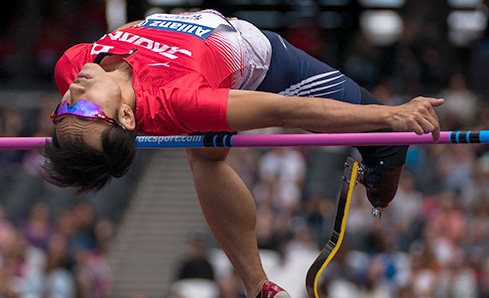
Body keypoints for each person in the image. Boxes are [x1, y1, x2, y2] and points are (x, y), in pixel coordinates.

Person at [41, 9, 443, 298]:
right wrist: (391, 113)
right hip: (273, 69)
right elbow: (285, 110)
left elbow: (124, 32)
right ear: (126, 116)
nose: (73, 94)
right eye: (85, 109)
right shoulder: (180, 100)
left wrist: (150, 24)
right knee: (386, 141)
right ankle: (261, 285)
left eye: (64, 112)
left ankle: (259, 288)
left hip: (198, 49)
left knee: (203, 154)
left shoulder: (72, 66)